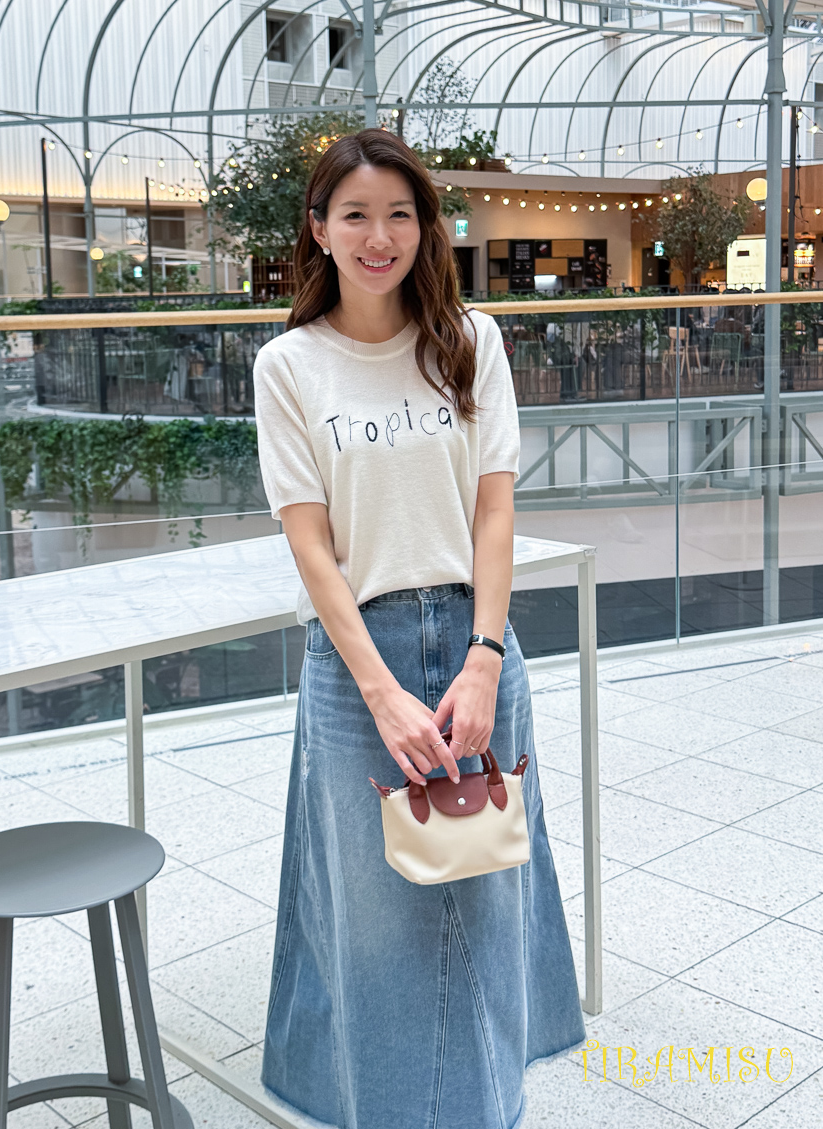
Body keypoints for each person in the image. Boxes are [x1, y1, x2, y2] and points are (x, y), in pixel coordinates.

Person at [252, 130, 584, 1129]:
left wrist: (485, 657)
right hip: (359, 665)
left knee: (484, 888)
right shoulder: (290, 365)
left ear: (425, 227)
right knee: (372, 915)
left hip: (477, 647)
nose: (379, 236)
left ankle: (488, 1105)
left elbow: (495, 511)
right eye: (355, 214)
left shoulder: (471, 340)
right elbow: (311, 546)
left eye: (400, 214)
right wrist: (381, 691)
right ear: (319, 228)